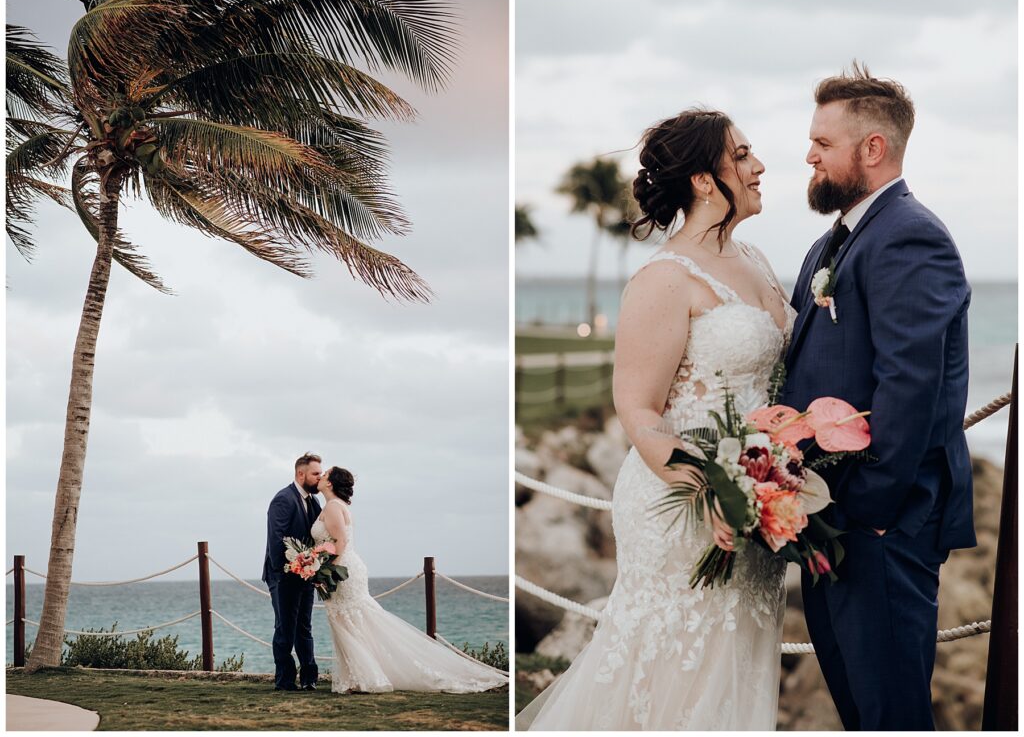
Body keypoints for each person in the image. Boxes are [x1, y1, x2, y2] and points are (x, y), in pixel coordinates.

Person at [517, 109, 793, 730]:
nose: (759, 166)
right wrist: (712, 491)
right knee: (673, 675)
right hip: (684, 506)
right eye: (742, 156)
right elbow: (637, 410)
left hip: (756, 504)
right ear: (702, 180)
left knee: (733, 668)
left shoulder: (754, 258)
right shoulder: (664, 279)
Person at [783, 63, 974, 730]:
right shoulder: (828, 244)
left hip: (880, 531)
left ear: (873, 148)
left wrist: (868, 508)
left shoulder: (909, 236)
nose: (808, 154)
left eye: (822, 143)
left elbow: (910, 384)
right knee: (860, 712)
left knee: (892, 715)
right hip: (828, 527)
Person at [312, 466, 508, 693]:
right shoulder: (333, 506)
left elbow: (341, 542)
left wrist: (327, 573)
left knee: (350, 620)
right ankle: (359, 676)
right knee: (349, 622)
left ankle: (367, 677)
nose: (321, 476)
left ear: (330, 483)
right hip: (341, 568)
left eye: (324, 474)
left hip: (342, 571)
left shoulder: (334, 507)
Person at [263, 452, 323, 691]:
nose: (320, 477)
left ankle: (309, 678)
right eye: (316, 473)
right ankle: (285, 681)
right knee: (285, 629)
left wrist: (315, 570)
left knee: (304, 628)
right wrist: (288, 570)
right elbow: (276, 539)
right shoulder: (283, 499)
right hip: (283, 575)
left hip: (307, 576)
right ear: (301, 474)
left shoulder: (313, 502)